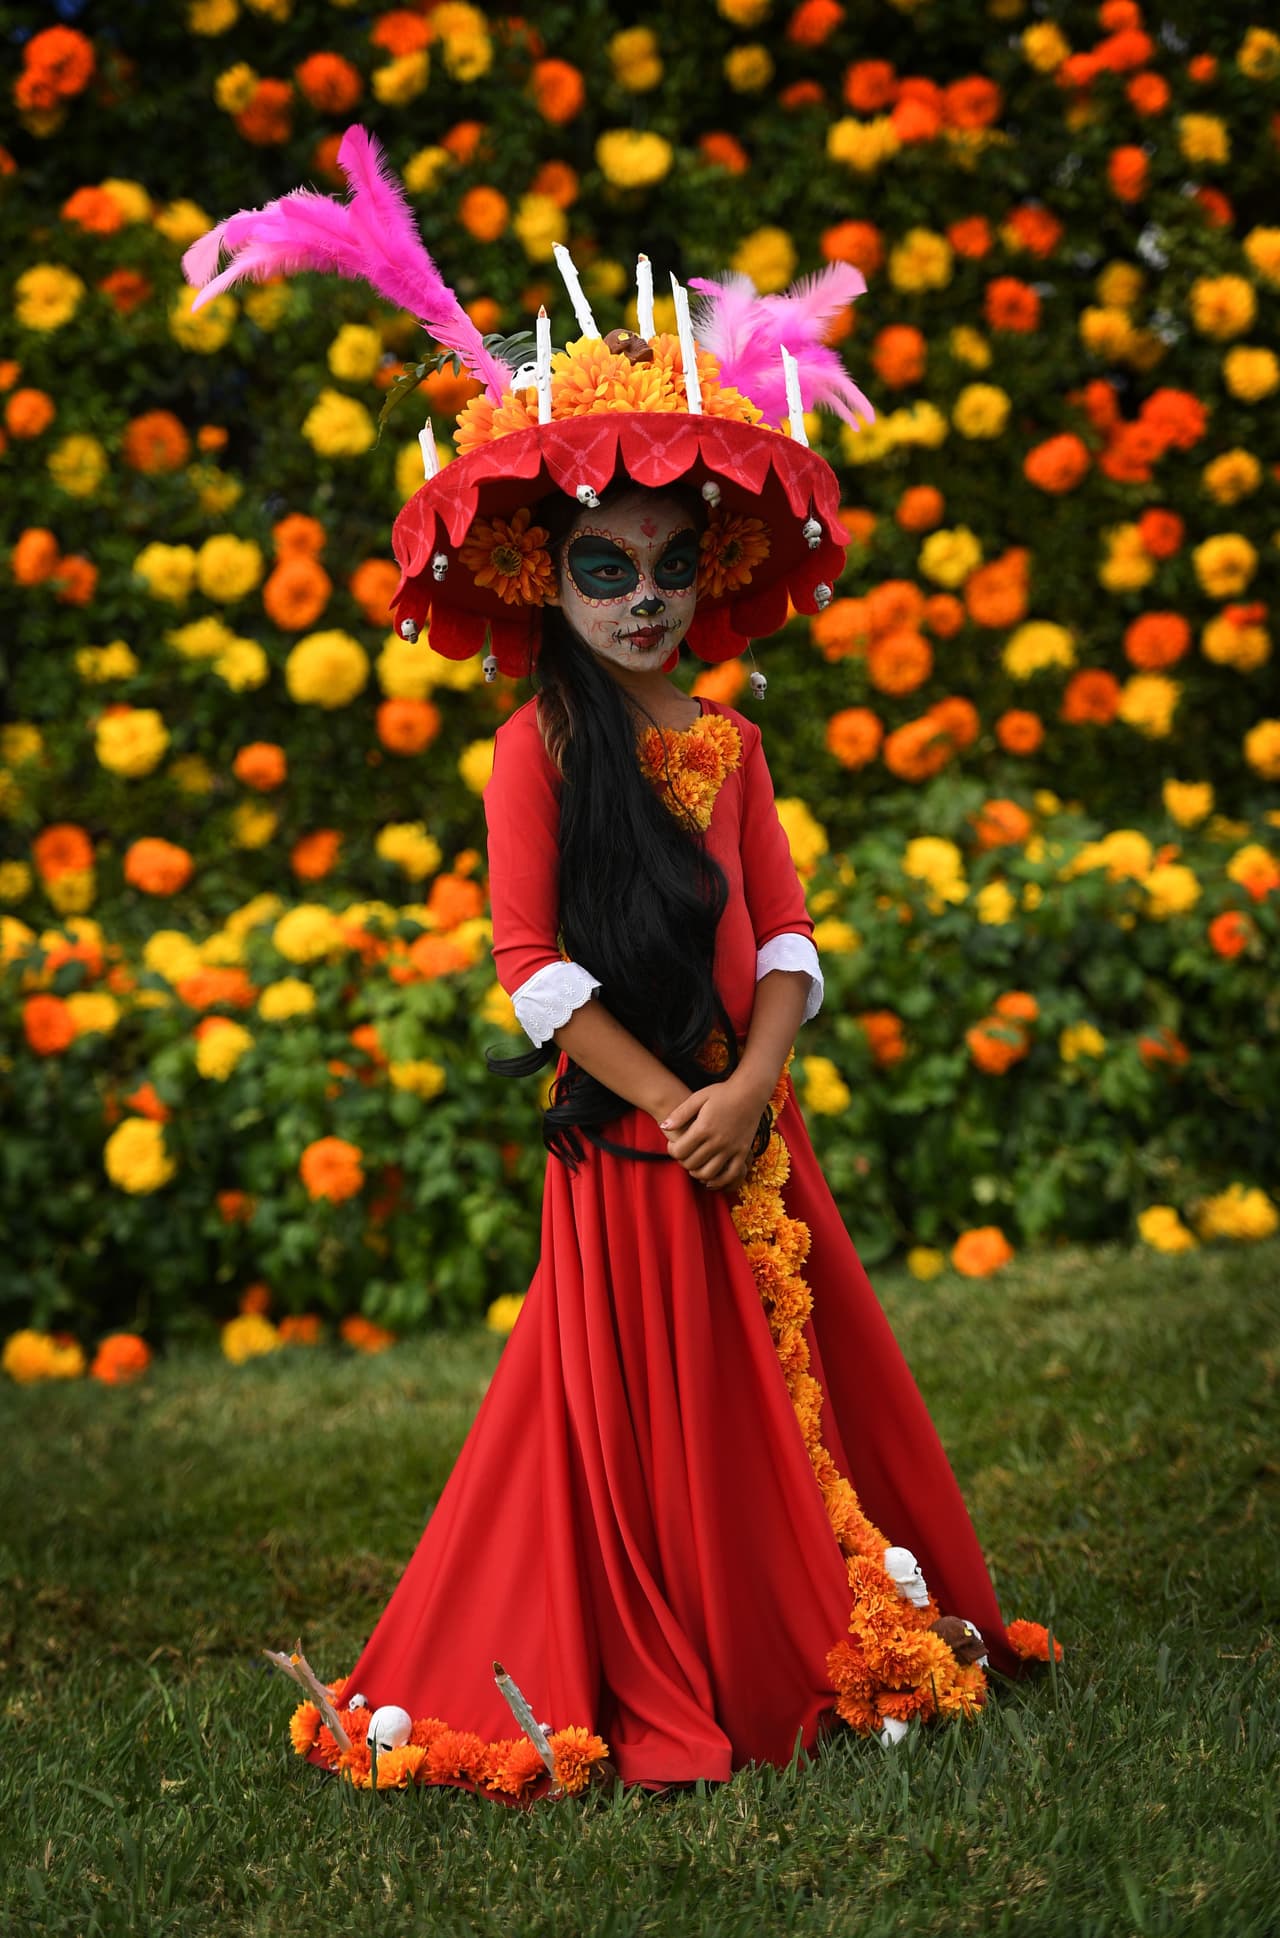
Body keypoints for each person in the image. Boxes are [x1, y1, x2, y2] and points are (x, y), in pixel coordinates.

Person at [184, 125, 1044, 1803]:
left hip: (747, 1128)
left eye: (668, 569)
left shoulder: (732, 741)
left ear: (707, 568)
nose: (641, 602)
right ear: (541, 574)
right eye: (603, 571)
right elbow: (530, 969)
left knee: (770, 1399)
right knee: (633, 1420)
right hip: (632, 1153)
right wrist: (676, 1108)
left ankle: (798, 1621)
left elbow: (785, 935)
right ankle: (664, 1649)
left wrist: (755, 1089)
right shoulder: (535, 752)